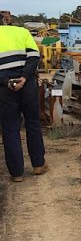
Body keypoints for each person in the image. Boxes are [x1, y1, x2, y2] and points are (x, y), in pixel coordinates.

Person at [0, 10, 46, 182]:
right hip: (27, 85)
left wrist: (8, 82)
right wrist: (24, 78)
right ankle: (38, 165)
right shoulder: (22, 32)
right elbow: (34, 57)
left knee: (10, 128)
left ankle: (17, 173)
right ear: (6, 20)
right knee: (33, 123)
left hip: (5, 89)